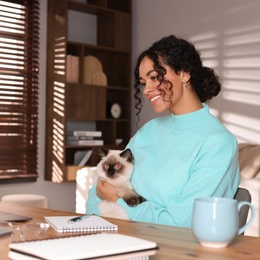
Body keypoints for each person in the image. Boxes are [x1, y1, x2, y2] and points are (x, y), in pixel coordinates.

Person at [86, 35, 240, 228]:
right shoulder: (149, 130)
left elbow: (179, 223)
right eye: (143, 82)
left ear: (184, 73)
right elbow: (99, 191)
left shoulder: (218, 142)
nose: (146, 89)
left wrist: (117, 200)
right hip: (116, 242)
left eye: (154, 77)